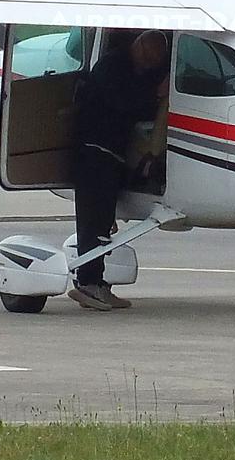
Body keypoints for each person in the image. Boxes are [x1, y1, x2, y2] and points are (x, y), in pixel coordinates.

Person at [68, 30, 169, 311]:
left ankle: (98, 283)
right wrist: (156, 96)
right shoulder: (111, 69)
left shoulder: (134, 69)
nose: (149, 68)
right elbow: (126, 105)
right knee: (94, 220)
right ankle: (87, 283)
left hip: (111, 154)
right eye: (149, 62)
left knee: (103, 219)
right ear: (139, 48)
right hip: (93, 151)